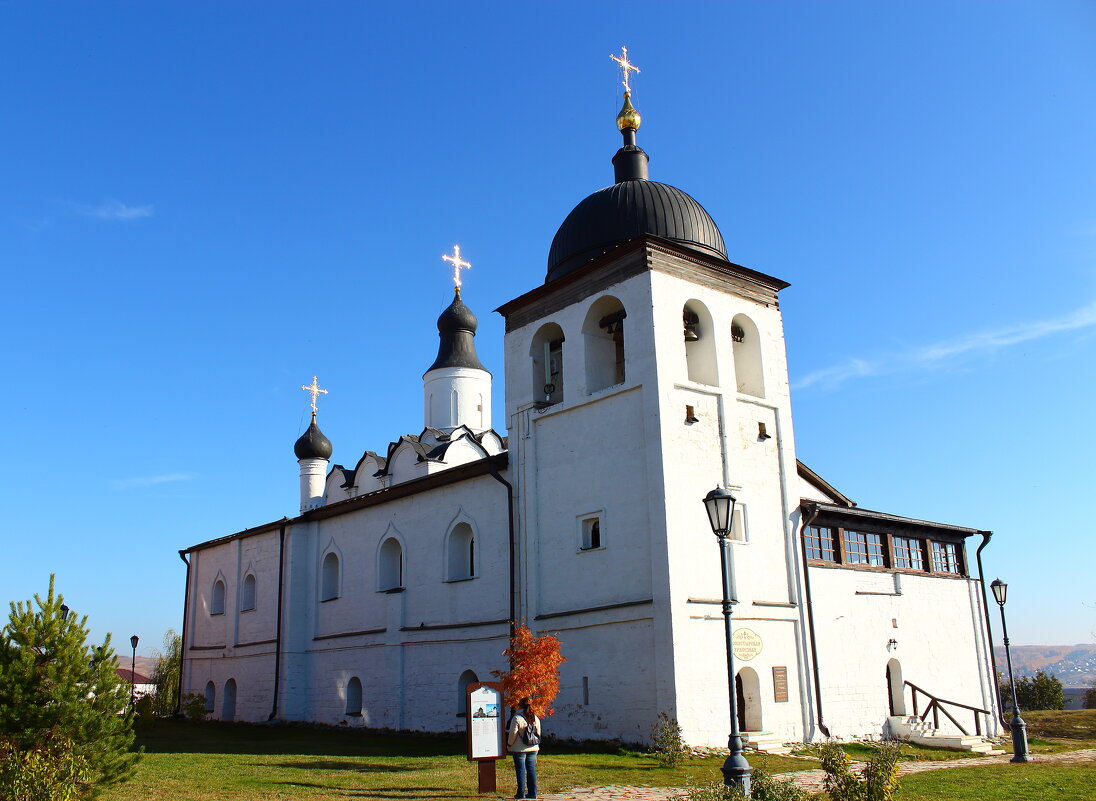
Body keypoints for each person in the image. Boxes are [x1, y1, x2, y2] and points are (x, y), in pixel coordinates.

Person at [506, 697, 540, 800]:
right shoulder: (535, 717)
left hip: (519, 748)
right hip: (533, 747)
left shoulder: (517, 718)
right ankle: (533, 793)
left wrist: (509, 744)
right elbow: (538, 733)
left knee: (520, 770)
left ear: (520, 705)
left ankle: (521, 793)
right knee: (531, 769)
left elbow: (513, 734)